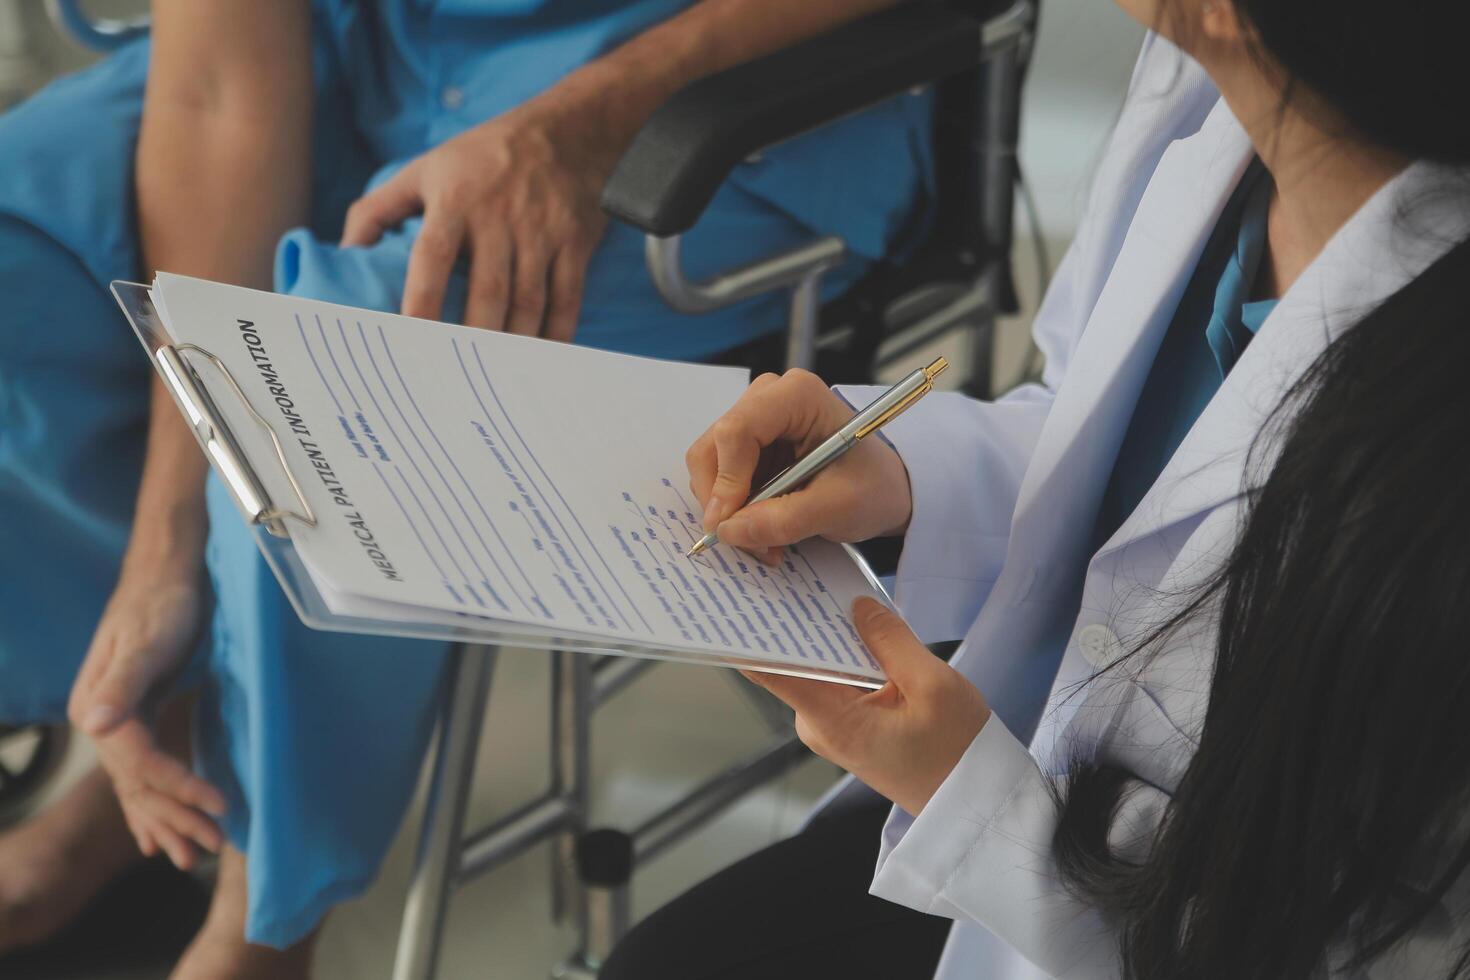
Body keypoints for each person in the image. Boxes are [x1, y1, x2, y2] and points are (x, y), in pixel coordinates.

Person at [0, 0, 932, 974]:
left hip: (698, 84)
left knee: (335, 369)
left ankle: (257, 923)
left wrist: (580, 121)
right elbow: (219, 84)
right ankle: (183, 708)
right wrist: (163, 541)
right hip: (376, 51)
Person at [601, 0, 1470, 977]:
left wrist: (974, 799)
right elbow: (1110, 432)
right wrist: (900, 475)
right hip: (1015, 793)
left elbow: (1375, 944)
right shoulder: (1208, 93)